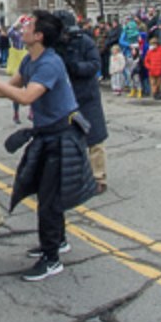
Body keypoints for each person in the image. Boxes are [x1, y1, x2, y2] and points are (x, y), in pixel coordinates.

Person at [0, 11, 90, 281]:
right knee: (47, 193)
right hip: (47, 135)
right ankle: (60, 241)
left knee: (49, 199)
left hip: (62, 136)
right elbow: (7, 89)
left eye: (28, 25)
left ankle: (52, 258)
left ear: (39, 36)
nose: (23, 28)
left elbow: (26, 96)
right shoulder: (30, 61)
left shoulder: (49, 64)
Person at [59, 17, 108, 195]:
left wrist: (76, 67)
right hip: (67, 97)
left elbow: (95, 64)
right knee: (70, 140)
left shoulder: (85, 41)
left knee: (95, 139)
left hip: (87, 95)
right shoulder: (56, 46)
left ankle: (98, 177)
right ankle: (76, 176)